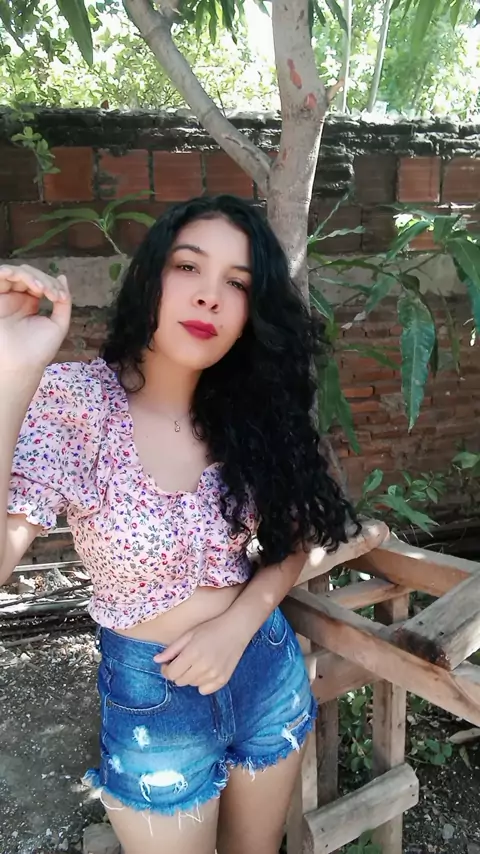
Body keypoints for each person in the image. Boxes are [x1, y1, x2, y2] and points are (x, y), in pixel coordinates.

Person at [0, 195, 387, 854]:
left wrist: (238, 626)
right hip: (155, 703)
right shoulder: (81, 403)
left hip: (264, 669)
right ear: (150, 276)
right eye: (188, 267)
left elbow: (294, 538)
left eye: (237, 283)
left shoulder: (248, 412)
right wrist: (12, 378)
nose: (210, 295)